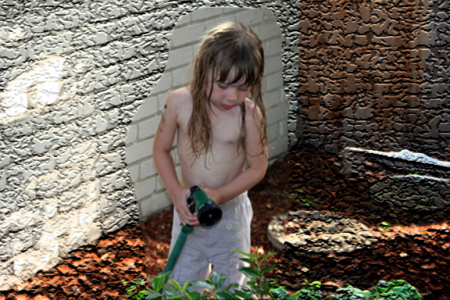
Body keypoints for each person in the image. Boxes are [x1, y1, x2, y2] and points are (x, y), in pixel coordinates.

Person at [152, 21, 268, 289]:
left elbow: (257, 168)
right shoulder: (179, 103)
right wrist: (176, 192)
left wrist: (220, 195)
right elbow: (161, 149)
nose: (232, 96)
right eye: (224, 85)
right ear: (203, 69)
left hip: (230, 217)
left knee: (233, 287)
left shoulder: (249, 115)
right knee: (181, 287)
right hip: (188, 212)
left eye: (243, 87)